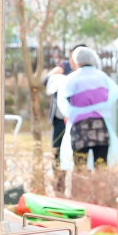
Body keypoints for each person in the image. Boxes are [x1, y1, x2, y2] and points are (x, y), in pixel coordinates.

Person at [56, 46, 118, 171]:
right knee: (101, 166)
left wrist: (74, 112)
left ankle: (82, 189)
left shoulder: (71, 79)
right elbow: (116, 92)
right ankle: (100, 189)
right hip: (100, 127)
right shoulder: (102, 76)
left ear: (76, 61)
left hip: (79, 127)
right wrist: (100, 107)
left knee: (80, 166)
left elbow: (62, 101)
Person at [43, 54, 74, 190]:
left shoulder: (78, 72)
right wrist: (53, 72)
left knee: (71, 151)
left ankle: (72, 183)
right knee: (56, 149)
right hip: (59, 118)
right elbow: (45, 81)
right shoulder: (64, 66)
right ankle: (58, 182)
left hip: (72, 117)